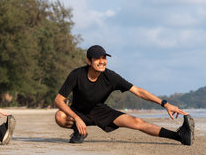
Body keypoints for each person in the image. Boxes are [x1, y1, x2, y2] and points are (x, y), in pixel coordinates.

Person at [54, 45, 194, 145]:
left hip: (99, 111)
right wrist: (77, 118)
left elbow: (138, 91)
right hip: (77, 111)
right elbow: (59, 100)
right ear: (88, 61)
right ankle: (79, 132)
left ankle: (180, 136)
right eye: (97, 58)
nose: (102, 61)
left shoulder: (111, 77)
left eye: (104, 58)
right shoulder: (77, 75)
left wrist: (165, 104)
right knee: (59, 116)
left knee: (137, 122)